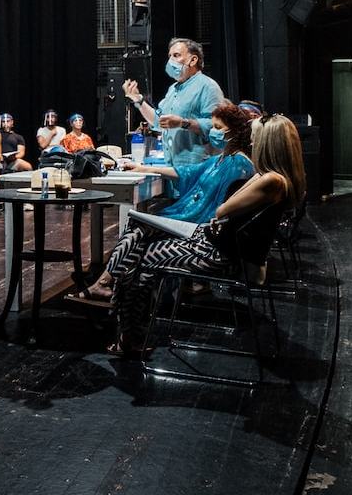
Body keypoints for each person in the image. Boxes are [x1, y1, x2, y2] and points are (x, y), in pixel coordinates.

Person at [97, 113, 304, 355]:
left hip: (218, 254)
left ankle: (123, 325)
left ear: (268, 143)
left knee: (138, 256)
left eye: (256, 138)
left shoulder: (270, 180)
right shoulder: (273, 178)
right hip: (215, 243)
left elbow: (222, 209)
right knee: (139, 238)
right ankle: (124, 324)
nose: (251, 142)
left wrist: (225, 210)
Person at [72, 102, 258, 302]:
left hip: (200, 227)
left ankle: (110, 288)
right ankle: (111, 289)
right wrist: (144, 169)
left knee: (139, 231)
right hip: (191, 220)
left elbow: (222, 209)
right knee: (138, 229)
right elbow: (186, 172)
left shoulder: (238, 164)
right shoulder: (221, 159)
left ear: (233, 131)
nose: (212, 132)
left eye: (218, 127)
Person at [123, 37, 225, 168]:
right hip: (173, 167)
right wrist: (138, 99)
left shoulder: (208, 86)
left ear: (193, 60)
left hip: (198, 168)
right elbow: (158, 122)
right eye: (169, 56)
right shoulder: (173, 89)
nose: (171, 61)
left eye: (176, 55)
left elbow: (218, 127)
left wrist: (183, 123)